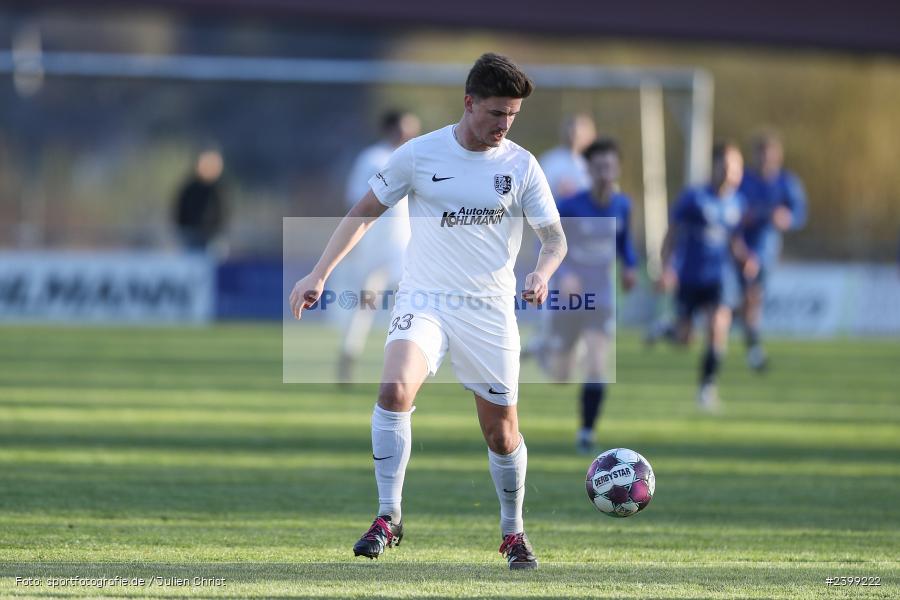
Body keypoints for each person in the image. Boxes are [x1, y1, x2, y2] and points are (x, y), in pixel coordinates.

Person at [289, 53, 566, 570]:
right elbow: (364, 212)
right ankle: (388, 516)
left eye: (512, 116)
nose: (503, 126)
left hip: (488, 312)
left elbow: (554, 239)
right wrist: (319, 273)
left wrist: (542, 273)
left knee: (501, 432)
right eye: (496, 114)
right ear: (469, 102)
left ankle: (513, 532)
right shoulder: (419, 154)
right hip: (425, 300)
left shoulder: (522, 165)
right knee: (393, 390)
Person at [546, 138, 637, 454]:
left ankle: (586, 431)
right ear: (588, 170)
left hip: (601, 298)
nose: (605, 172)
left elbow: (625, 243)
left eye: (610, 166)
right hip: (570, 300)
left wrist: (630, 267)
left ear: (618, 168)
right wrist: (563, 273)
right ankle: (548, 347)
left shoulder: (623, 205)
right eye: (599, 167)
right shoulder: (570, 206)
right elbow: (545, 246)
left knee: (598, 363)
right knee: (561, 375)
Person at [658, 142, 757, 411]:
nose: (730, 172)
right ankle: (670, 329)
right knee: (684, 339)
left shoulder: (738, 201)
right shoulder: (694, 197)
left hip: (719, 278)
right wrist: (666, 267)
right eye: (725, 166)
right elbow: (672, 233)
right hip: (690, 276)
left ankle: (707, 388)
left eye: (735, 168)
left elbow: (734, 239)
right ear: (713, 167)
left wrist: (745, 257)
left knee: (718, 326)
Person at [337, 110, 421, 384]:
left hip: (407, 247)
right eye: (403, 129)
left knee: (412, 304)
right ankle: (349, 352)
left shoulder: (418, 158)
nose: (407, 135)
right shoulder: (372, 158)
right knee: (367, 302)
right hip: (376, 245)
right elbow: (357, 201)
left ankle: (408, 362)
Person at [738, 131, 807, 371]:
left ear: (778, 156)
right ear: (755, 155)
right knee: (737, 301)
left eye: (770, 154)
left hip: (764, 253)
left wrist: (786, 218)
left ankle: (753, 348)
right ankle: (752, 346)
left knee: (752, 297)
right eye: (761, 154)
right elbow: (730, 207)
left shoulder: (787, 182)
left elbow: (799, 214)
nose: (765, 159)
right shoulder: (742, 180)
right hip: (736, 247)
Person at [172, 150, 228, 254]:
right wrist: (185, 229)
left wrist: (216, 230)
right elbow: (180, 211)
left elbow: (223, 213)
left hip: (213, 237)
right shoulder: (189, 189)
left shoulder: (219, 189)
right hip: (191, 236)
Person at [538, 113, 596, 201]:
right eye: (572, 129)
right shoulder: (549, 160)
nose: (575, 132)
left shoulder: (596, 161)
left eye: (582, 129)